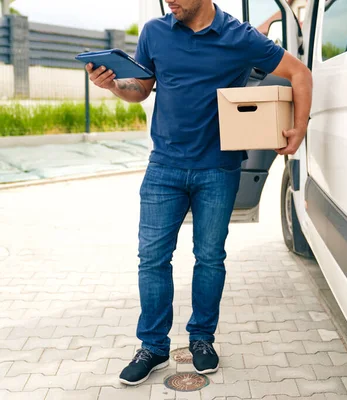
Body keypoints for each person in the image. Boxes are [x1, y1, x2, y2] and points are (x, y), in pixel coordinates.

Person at [86, 0, 312, 386]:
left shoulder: (239, 36)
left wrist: (299, 127)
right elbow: (140, 89)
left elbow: (299, 73)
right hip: (164, 167)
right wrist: (112, 85)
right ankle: (153, 347)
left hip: (218, 169)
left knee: (209, 258)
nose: (169, 1)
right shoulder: (155, 33)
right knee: (152, 259)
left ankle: (202, 339)